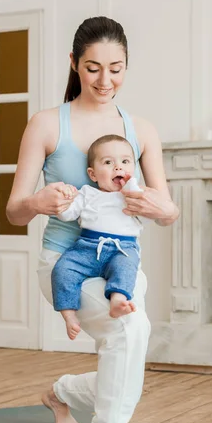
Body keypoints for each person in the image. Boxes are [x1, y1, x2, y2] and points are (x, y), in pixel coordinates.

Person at [6, 16, 179, 423]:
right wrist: (37, 203)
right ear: (74, 65)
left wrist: (161, 206)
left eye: (117, 69)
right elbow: (14, 211)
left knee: (127, 346)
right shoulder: (46, 124)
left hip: (123, 261)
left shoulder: (140, 129)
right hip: (67, 261)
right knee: (131, 329)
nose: (106, 81)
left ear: (127, 67)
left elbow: (167, 209)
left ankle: (60, 393)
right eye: (93, 68)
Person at [52, 134, 143, 340]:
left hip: (123, 248)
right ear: (93, 174)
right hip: (86, 246)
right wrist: (65, 197)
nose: (118, 167)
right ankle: (69, 315)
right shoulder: (87, 193)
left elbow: (146, 216)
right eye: (109, 162)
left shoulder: (133, 196)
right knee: (63, 269)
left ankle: (118, 301)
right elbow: (66, 215)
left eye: (125, 162)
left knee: (126, 268)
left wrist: (132, 188)